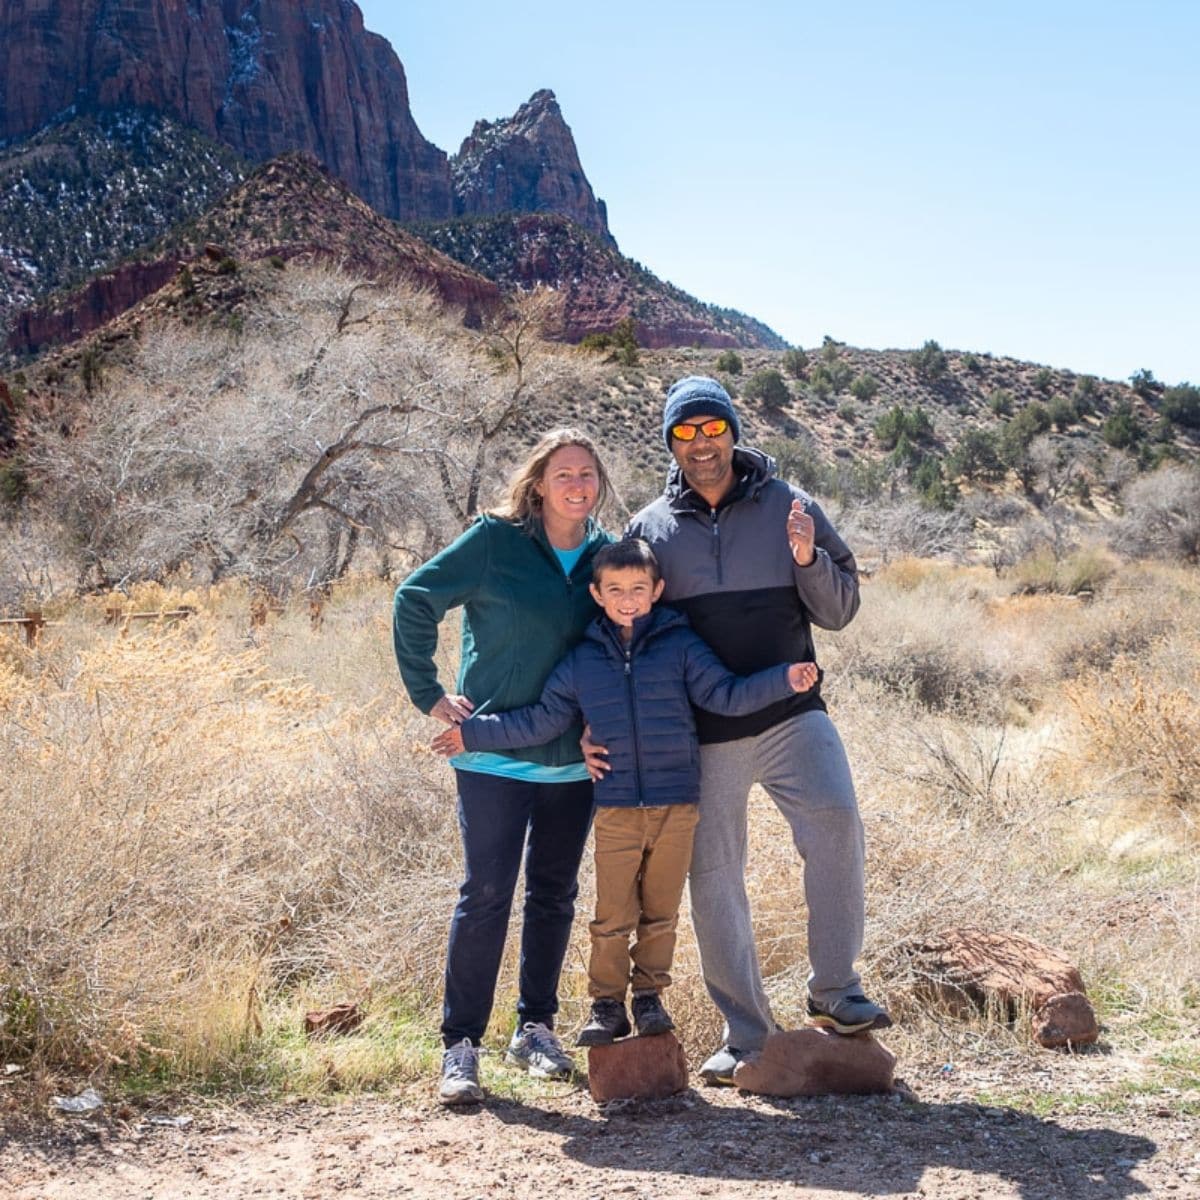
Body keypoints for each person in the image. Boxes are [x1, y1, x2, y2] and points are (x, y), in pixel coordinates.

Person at [431, 538, 819, 1047]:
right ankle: (607, 1005)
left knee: (661, 912)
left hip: (677, 805)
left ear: (658, 590)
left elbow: (723, 693)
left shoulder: (682, 646)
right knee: (612, 915)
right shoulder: (581, 661)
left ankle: (650, 999)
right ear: (596, 594)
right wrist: (473, 733)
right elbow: (545, 719)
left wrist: (783, 679)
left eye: (639, 588)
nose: (628, 599)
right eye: (615, 589)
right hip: (614, 808)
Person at [620, 375, 891, 1086]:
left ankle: (836, 992)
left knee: (836, 825)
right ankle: (746, 1034)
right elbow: (628, 632)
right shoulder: (650, 530)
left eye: (713, 428)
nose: (702, 444)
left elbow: (840, 612)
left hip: (792, 713)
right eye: (686, 433)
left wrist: (805, 560)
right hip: (703, 731)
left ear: (734, 431)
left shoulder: (792, 506)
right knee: (714, 877)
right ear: (670, 442)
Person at [392, 429, 614, 1105]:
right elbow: (415, 597)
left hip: (571, 766)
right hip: (488, 755)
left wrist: (603, 728)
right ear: (539, 483)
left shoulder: (608, 555)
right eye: (563, 474)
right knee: (485, 895)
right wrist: (430, 695)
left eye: (588, 474)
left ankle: (535, 1030)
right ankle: (460, 1046)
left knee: (554, 896)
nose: (577, 485)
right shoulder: (495, 542)